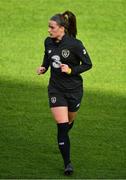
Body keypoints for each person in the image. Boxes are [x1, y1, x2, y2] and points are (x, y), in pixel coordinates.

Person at [37, 10, 92, 176]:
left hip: (74, 90)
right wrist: (44, 67)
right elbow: (48, 57)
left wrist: (71, 70)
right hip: (56, 89)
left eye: (52, 27)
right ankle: (67, 163)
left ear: (62, 28)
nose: (49, 30)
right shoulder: (48, 42)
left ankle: (64, 139)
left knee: (68, 122)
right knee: (62, 126)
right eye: (48, 27)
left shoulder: (75, 44)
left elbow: (88, 64)